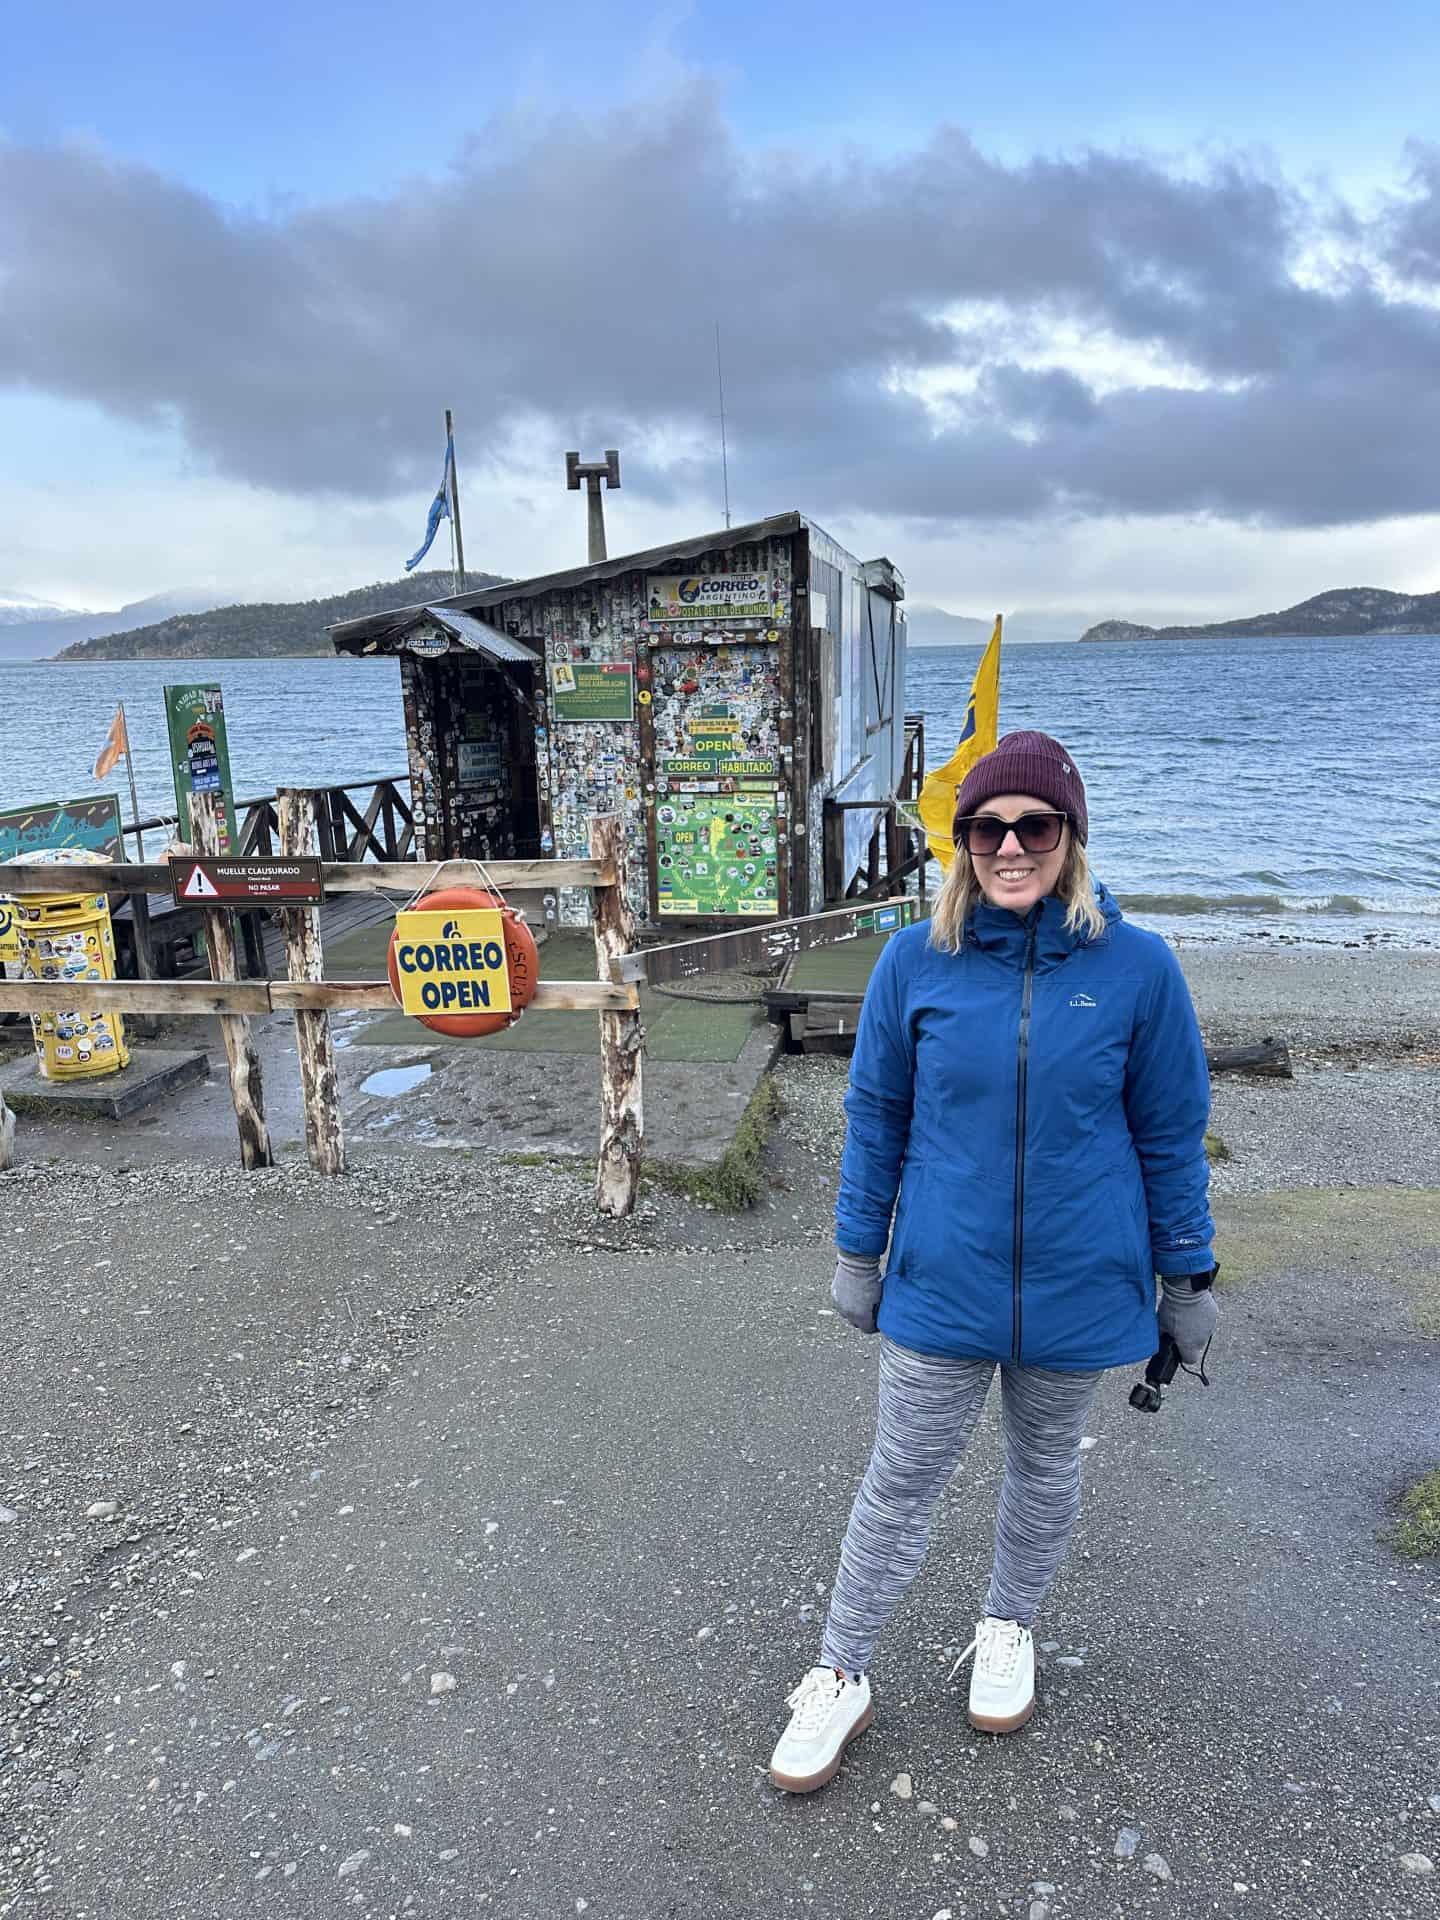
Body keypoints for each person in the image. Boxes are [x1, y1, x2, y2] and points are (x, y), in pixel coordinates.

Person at [769, 730, 1217, 1794]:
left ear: (1071, 837)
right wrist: (855, 1249)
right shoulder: (913, 963)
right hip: (942, 1275)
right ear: (962, 842)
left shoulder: (1139, 968)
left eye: (1036, 826)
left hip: (1081, 1277)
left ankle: (1008, 1627)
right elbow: (876, 1114)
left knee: (1046, 1469)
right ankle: (842, 1672)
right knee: (902, 1479)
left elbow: (1170, 1130)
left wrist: (1188, 1278)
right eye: (988, 827)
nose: (1010, 846)